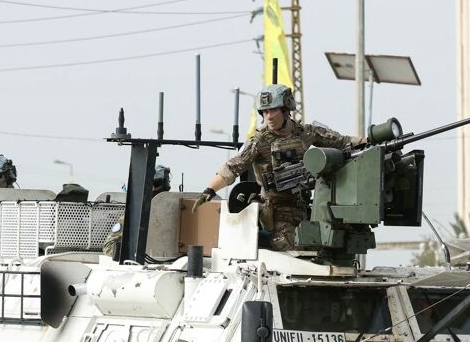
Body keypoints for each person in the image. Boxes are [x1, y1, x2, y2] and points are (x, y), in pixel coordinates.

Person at [191, 84, 362, 251]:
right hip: (274, 213)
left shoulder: (304, 133)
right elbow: (233, 167)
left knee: (329, 243)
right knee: (294, 245)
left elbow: (342, 142)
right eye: (265, 112)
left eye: (273, 110)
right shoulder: (259, 141)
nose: (269, 116)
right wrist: (209, 191)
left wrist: (367, 140)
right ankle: (259, 240)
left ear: (286, 110)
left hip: (302, 208)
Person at [103, 165, 172, 258]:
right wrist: (130, 254)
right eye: (157, 183)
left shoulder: (173, 213)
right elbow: (108, 247)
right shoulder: (134, 216)